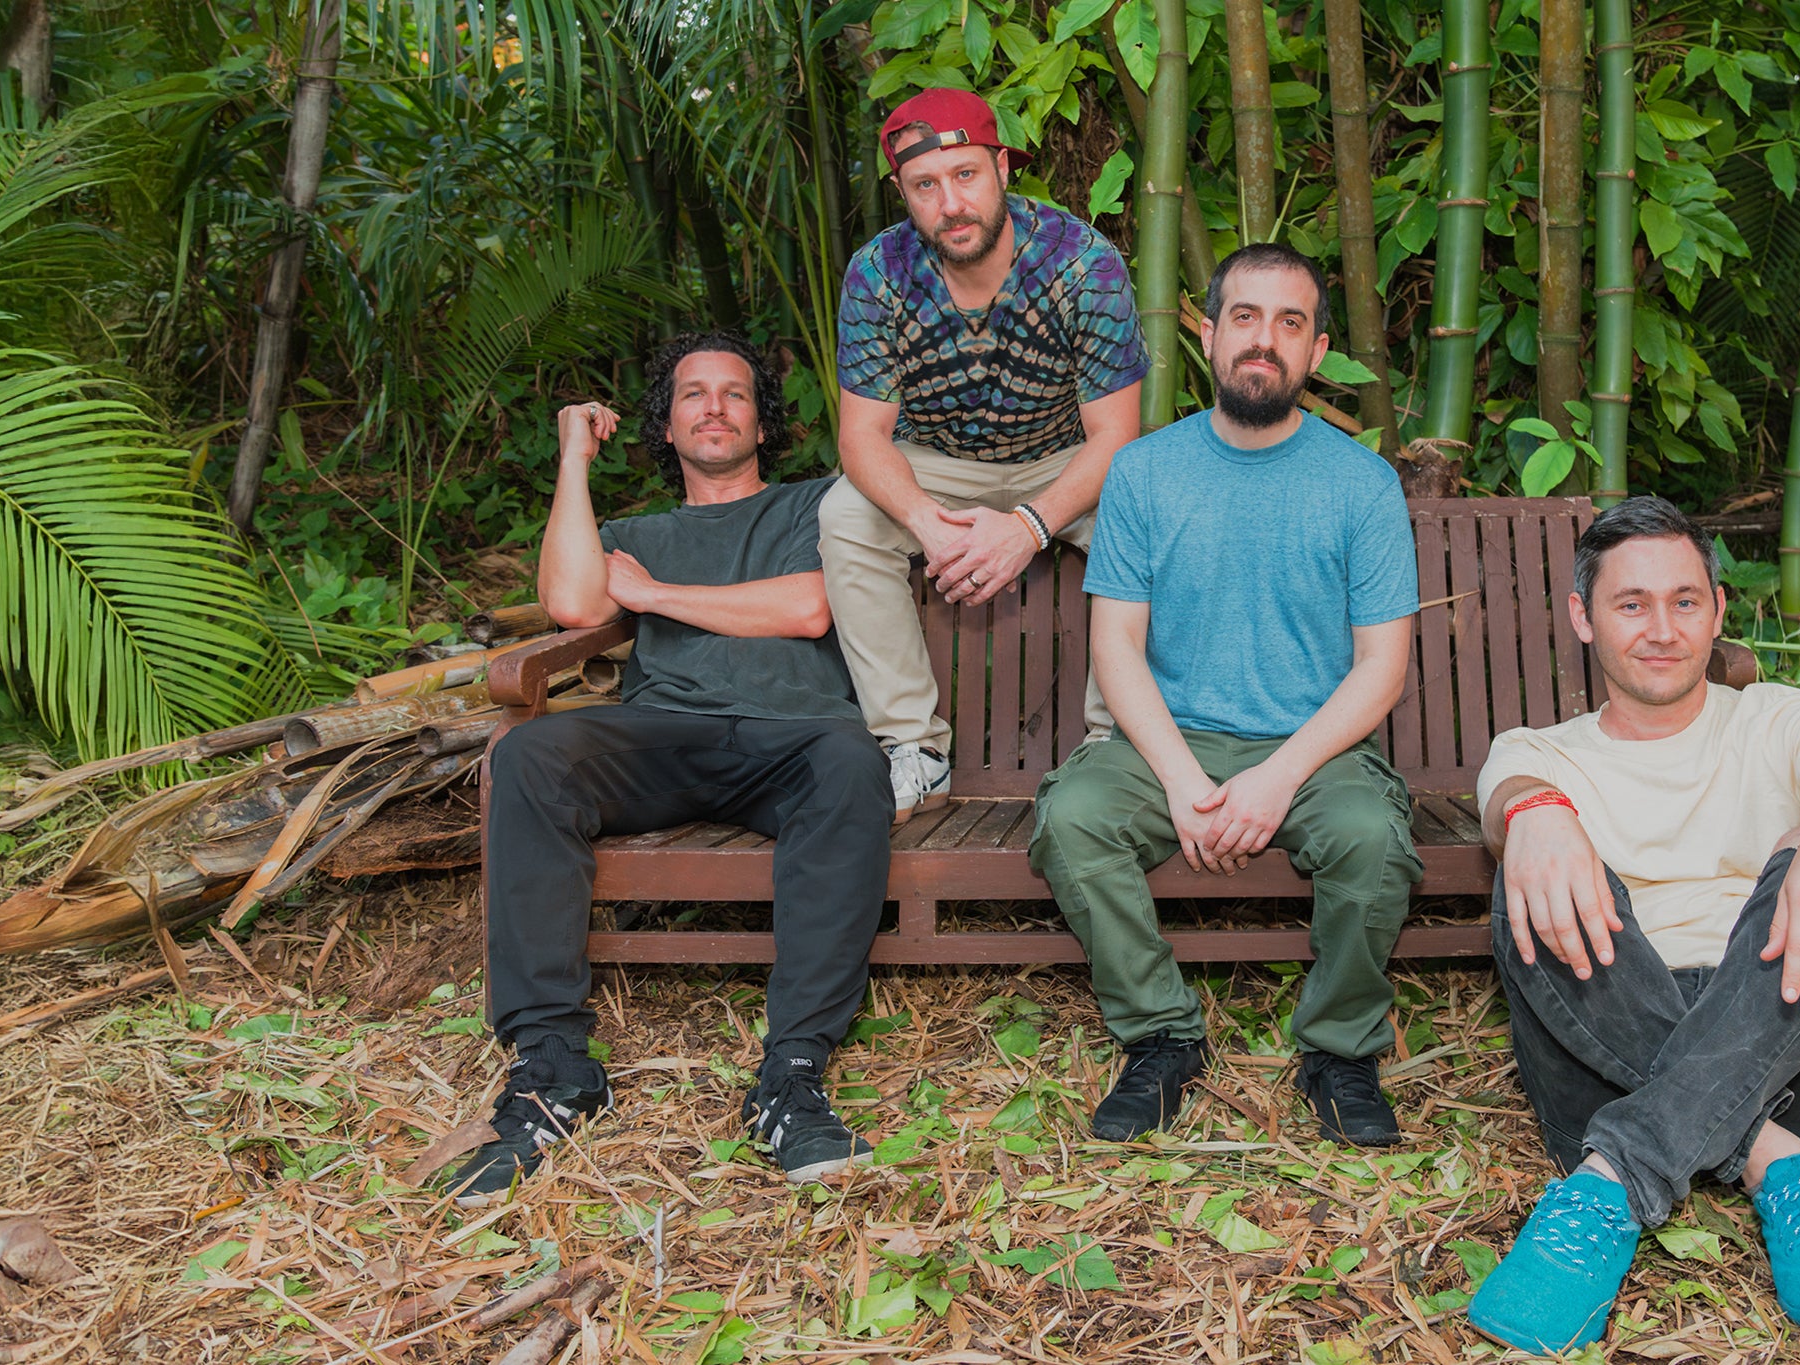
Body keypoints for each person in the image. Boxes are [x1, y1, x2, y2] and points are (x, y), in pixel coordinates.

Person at [450, 333, 893, 1204]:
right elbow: (571, 601)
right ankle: (553, 1068)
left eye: (735, 393)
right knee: (530, 753)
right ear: (666, 424)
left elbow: (809, 607)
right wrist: (573, 457)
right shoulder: (636, 534)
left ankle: (792, 1076)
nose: (715, 407)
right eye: (694, 393)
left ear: (762, 424)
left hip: (795, 737)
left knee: (852, 762)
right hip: (664, 733)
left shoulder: (817, 504)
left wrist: (653, 595)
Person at [1466, 496, 1800, 1350]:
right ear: (1583, 618)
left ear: (1718, 610)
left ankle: (1614, 1178)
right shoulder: (1537, 750)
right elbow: (1508, 798)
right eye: (1631, 604)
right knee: (1536, 858)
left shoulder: (1787, 716)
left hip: (1793, 1020)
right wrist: (1536, 813)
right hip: (1606, 1028)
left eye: (1685, 601)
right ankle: (1777, 1160)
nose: (1662, 629)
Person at [1028, 244, 1423, 1147]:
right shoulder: (1144, 472)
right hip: (1170, 738)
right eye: (1244, 316)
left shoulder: (1361, 483)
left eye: (1290, 323)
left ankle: (1340, 1049)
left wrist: (1278, 778)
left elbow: (1381, 668)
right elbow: (1116, 644)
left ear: (1317, 352)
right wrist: (1178, 778)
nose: (1263, 340)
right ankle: (1161, 1035)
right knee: (1072, 818)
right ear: (1207, 334)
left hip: (1314, 750)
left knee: (1372, 839)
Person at [823, 86, 1148, 823]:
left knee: (1145, 511)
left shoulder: (1082, 264)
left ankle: (1114, 741)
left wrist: (1029, 526)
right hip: (937, 461)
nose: (951, 204)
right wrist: (926, 523)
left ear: (1002, 167)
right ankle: (913, 747)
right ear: (903, 194)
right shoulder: (878, 271)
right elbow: (862, 436)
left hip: (1064, 456)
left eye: (965, 174)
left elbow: (1116, 437)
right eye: (925, 186)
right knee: (846, 515)